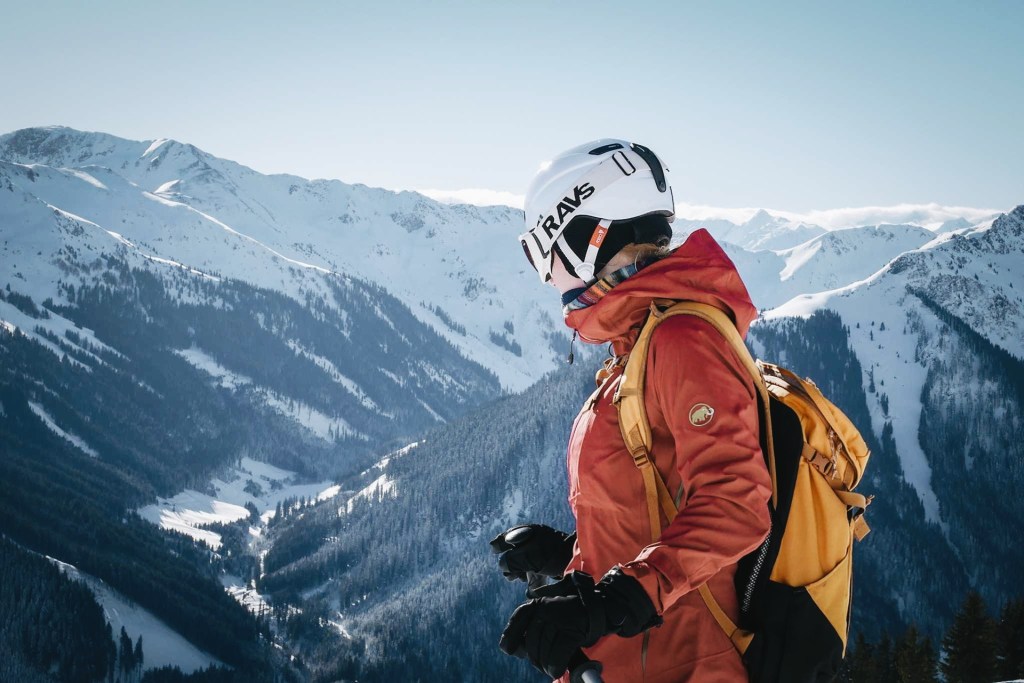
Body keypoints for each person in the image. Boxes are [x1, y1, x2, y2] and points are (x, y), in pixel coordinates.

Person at [493, 139, 773, 682]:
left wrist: (612, 600)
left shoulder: (681, 339)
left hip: (680, 664)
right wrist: (572, 552)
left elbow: (737, 503)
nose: (551, 279)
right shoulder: (643, 339)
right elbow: (660, 506)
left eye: (544, 256)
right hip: (629, 660)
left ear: (585, 239)